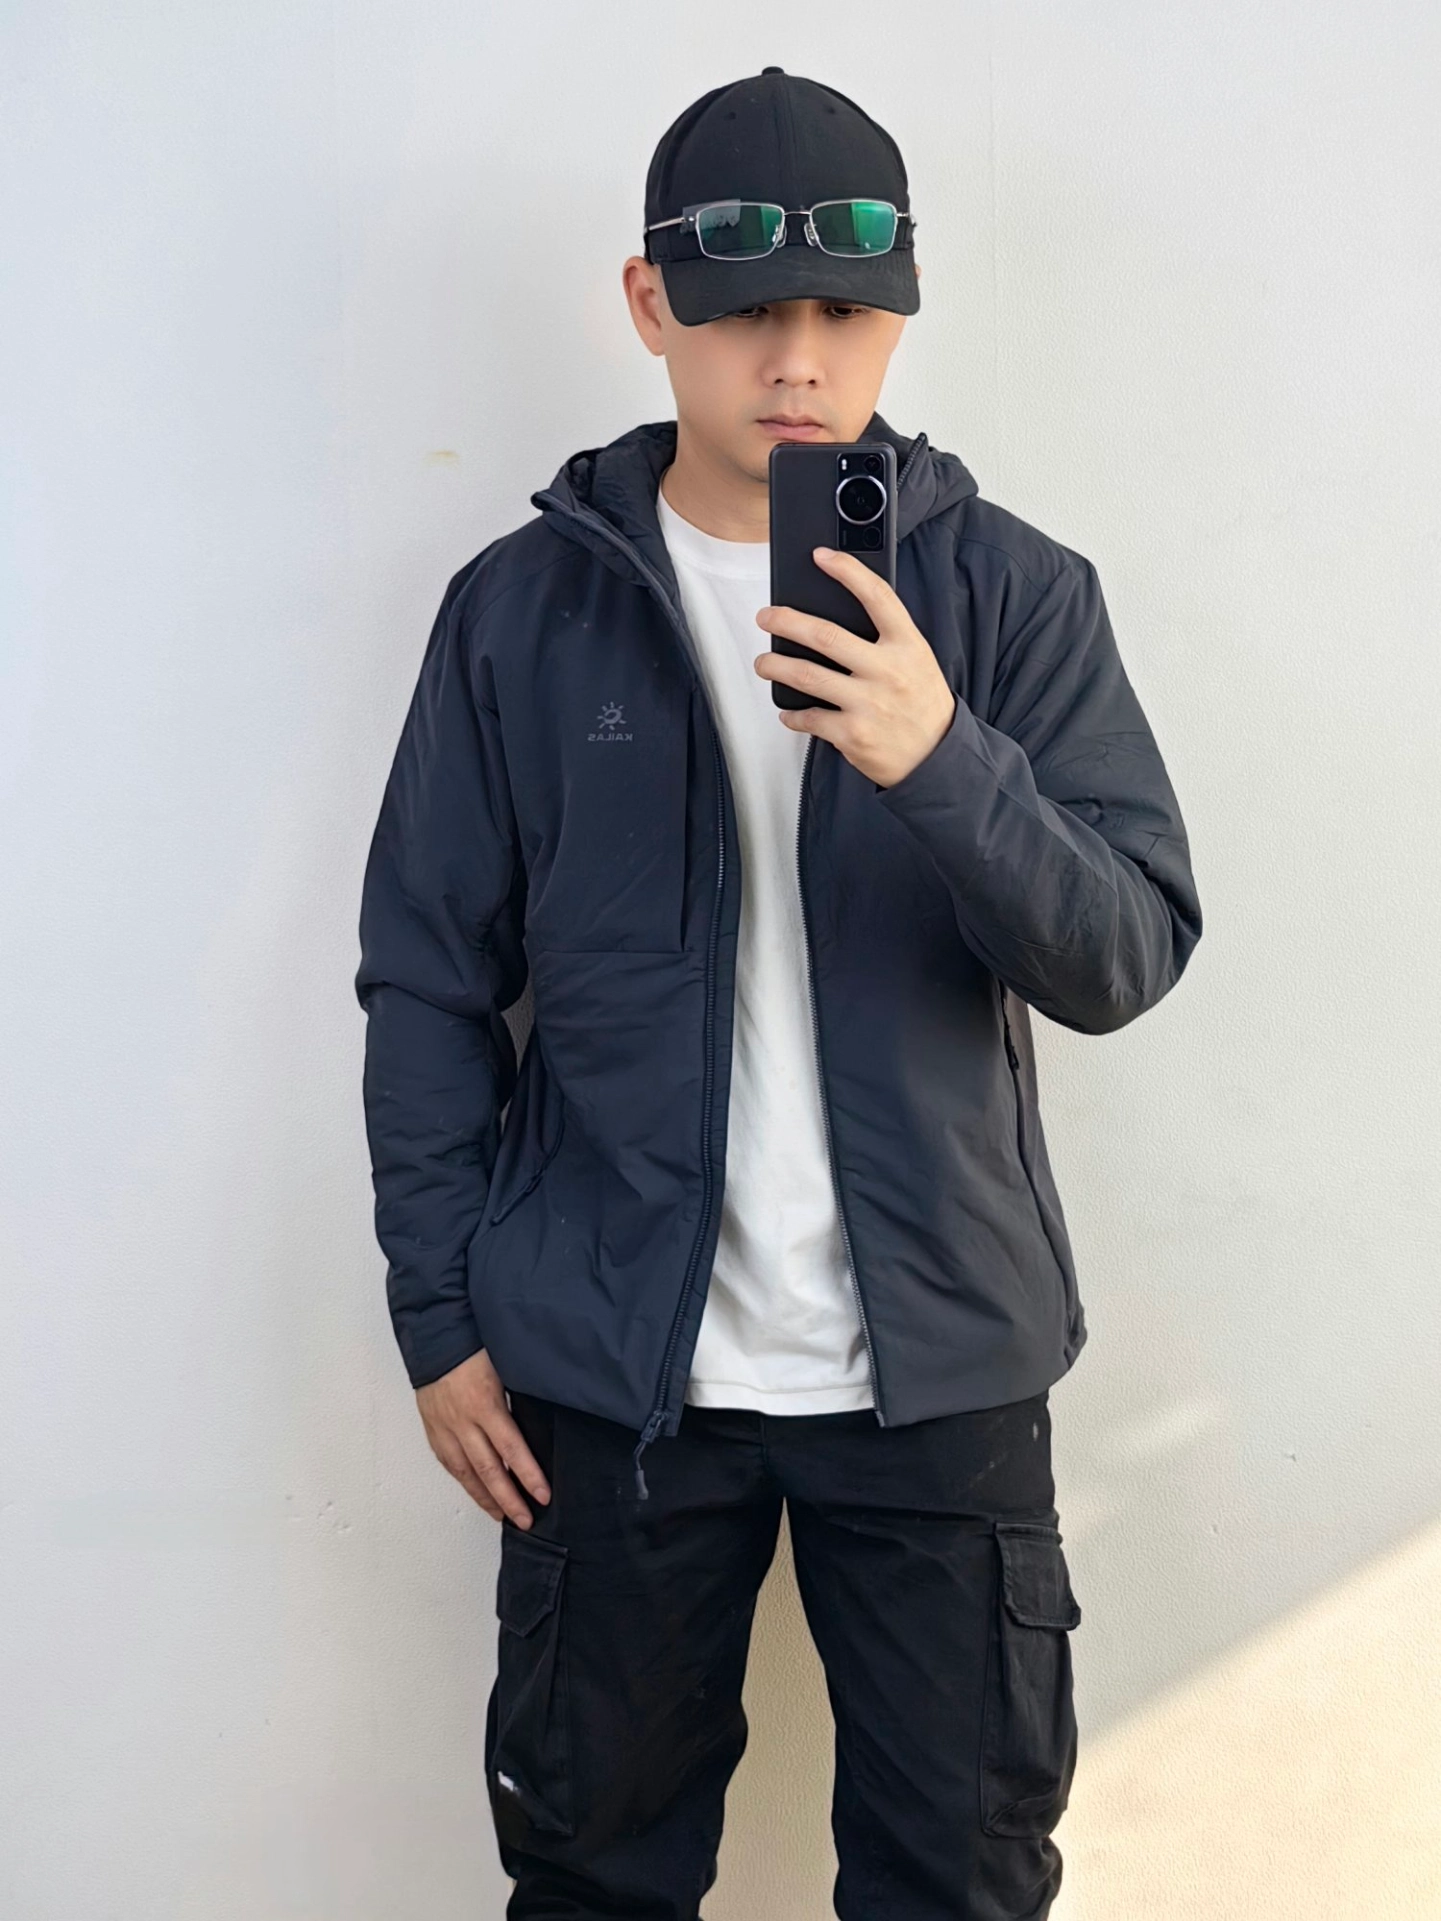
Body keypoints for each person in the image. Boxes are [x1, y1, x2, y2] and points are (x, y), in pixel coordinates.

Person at [354, 65, 1201, 1921]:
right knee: (592, 1879)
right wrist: (438, 1315)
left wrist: (940, 758)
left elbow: (1125, 954)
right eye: (746, 310)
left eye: (843, 313)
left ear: (905, 309)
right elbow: (426, 984)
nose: (798, 360)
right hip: (609, 1385)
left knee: (956, 1886)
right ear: (653, 303)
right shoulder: (520, 614)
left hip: (942, 1376)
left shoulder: (1014, 599)